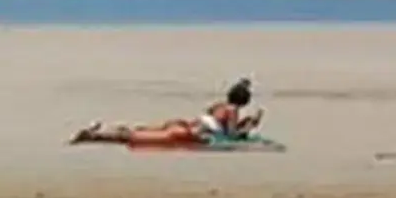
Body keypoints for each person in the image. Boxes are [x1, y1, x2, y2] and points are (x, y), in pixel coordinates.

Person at [73, 79, 261, 148]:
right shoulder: (233, 110)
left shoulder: (219, 105)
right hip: (189, 133)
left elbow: (215, 121)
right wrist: (250, 125)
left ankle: (102, 130)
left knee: (137, 131)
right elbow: (230, 135)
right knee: (135, 137)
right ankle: (95, 135)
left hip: (184, 124)